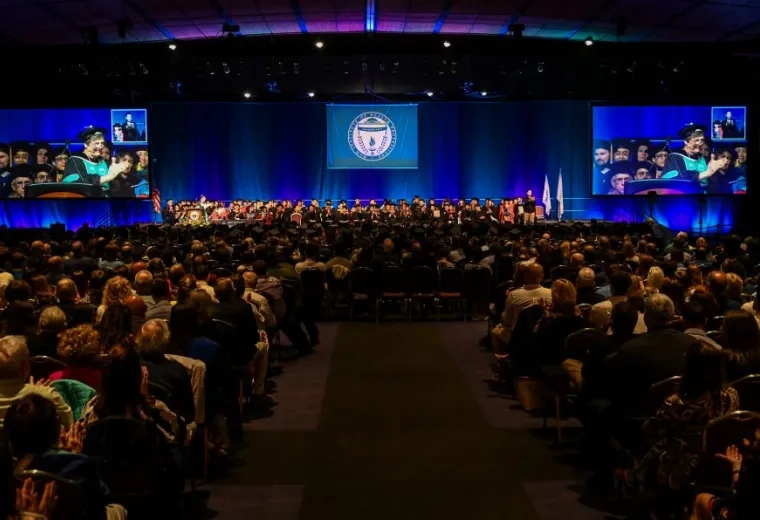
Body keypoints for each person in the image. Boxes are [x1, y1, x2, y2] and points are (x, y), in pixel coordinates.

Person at [61, 128, 128, 197]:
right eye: (96, 143)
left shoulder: (104, 162)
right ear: (86, 145)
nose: (100, 146)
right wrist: (106, 178)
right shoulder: (75, 160)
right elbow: (76, 182)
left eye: (102, 143)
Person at [661, 124, 730, 191]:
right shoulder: (675, 157)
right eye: (696, 140)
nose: (700, 143)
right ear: (686, 142)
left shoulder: (704, 159)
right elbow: (671, 179)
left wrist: (719, 171)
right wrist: (703, 174)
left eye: (702, 140)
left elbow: (713, 184)